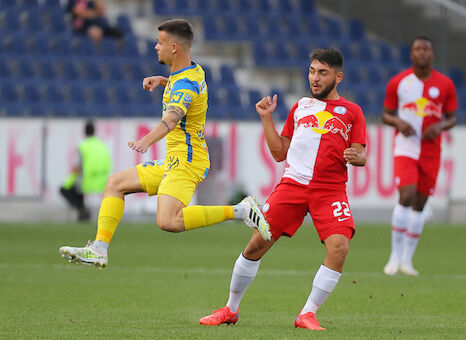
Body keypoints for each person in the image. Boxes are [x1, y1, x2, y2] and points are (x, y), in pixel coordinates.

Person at [58, 19, 270, 268]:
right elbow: (189, 92)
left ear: (174, 48)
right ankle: (99, 249)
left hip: (187, 162)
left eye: (159, 43)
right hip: (176, 159)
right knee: (116, 183)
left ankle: (241, 211)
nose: (155, 48)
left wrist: (145, 141)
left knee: (168, 221)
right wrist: (162, 80)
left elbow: (172, 117)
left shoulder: (184, 84)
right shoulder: (191, 71)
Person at [199, 48, 367, 331]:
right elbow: (279, 153)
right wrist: (266, 118)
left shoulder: (352, 112)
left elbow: (360, 153)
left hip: (330, 190)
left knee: (339, 248)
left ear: (338, 76)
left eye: (322, 73)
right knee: (255, 245)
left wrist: (356, 157)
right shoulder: (300, 107)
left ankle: (307, 314)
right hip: (293, 186)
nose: (314, 78)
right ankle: (230, 308)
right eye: (312, 71)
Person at [382, 36, 458, 276]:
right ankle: (394, 258)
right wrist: (398, 121)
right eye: (418, 49)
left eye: (426, 49)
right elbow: (385, 114)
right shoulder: (398, 82)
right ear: (412, 54)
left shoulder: (445, 84)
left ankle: (407, 260)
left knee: (421, 203)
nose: (422, 53)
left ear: (432, 54)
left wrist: (440, 127)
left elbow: (453, 117)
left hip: (431, 151)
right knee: (406, 195)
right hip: (405, 147)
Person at [59, 121, 112, 221]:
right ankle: (84, 212)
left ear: (84, 132)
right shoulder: (102, 145)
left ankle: (81, 209)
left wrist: (70, 180)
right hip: (104, 182)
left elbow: (77, 167)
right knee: (77, 187)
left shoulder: (83, 146)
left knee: (64, 189)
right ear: (94, 131)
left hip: (87, 182)